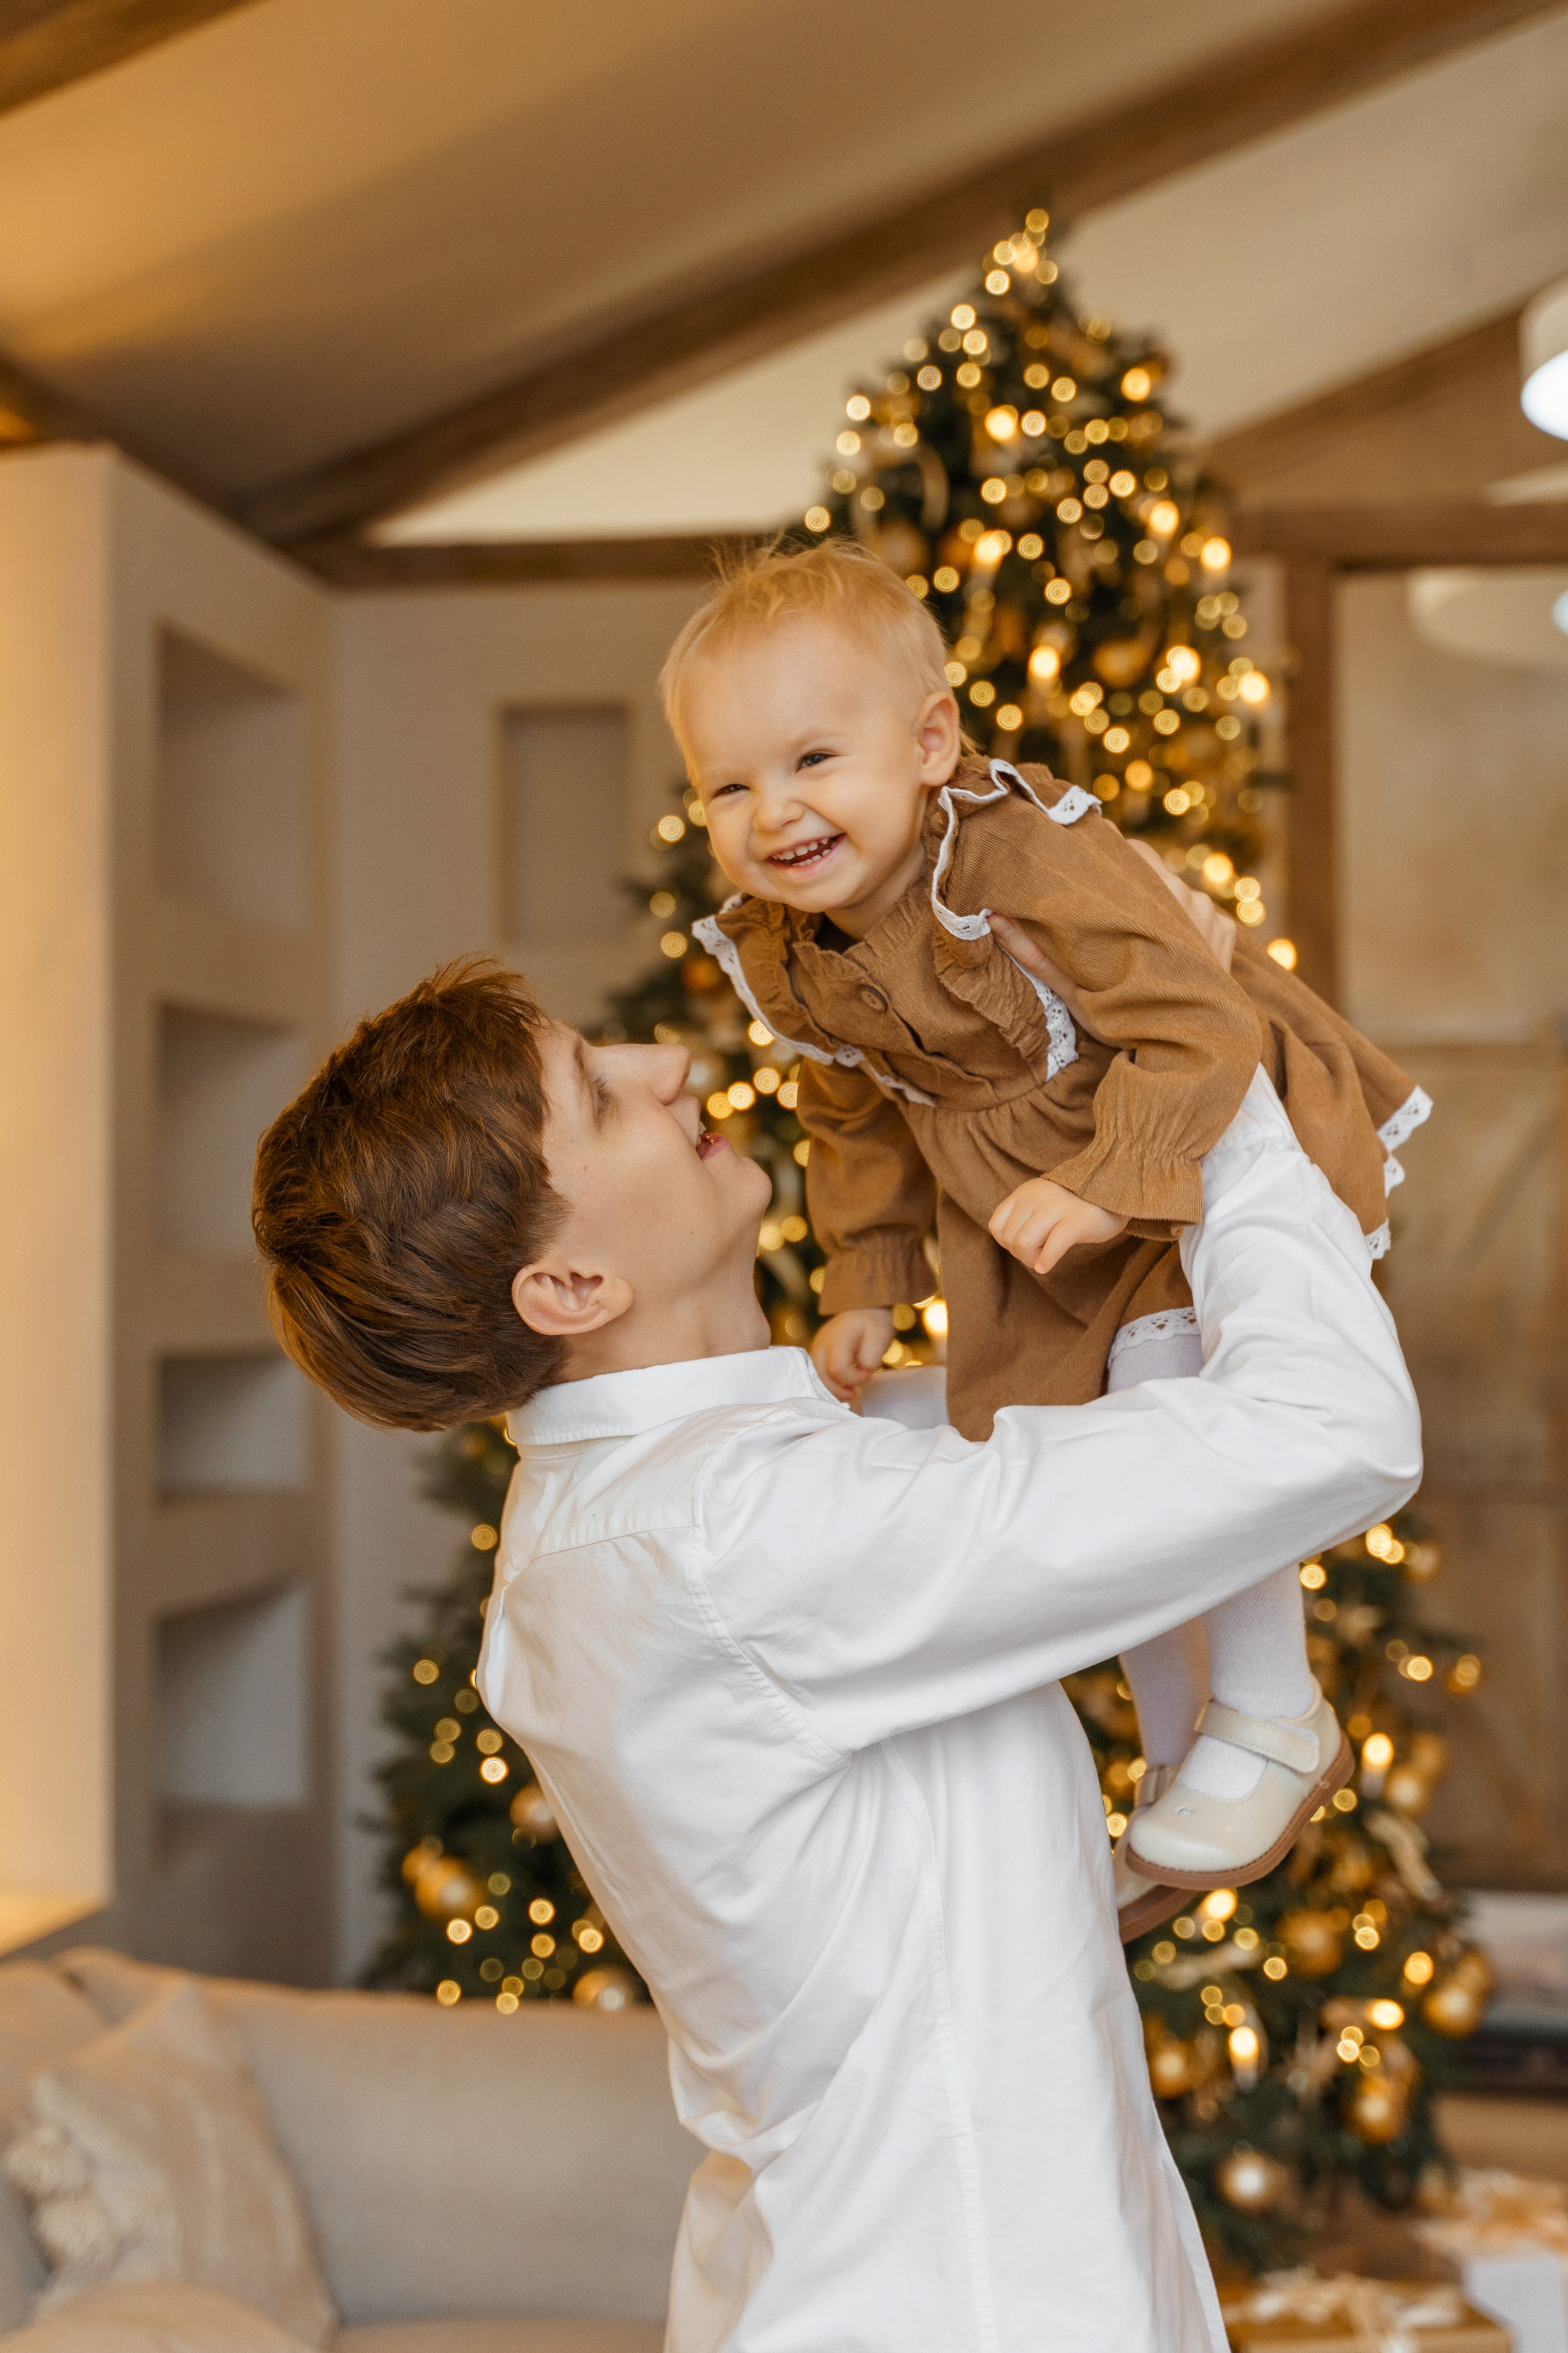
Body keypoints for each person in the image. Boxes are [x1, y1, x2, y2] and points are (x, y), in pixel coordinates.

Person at [252, 959, 1420, 2353]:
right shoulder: (724, 1536)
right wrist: (1216, 1089)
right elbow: (1330, 1428)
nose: (662, 1065)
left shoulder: (668, 1510)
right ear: (568, 1282)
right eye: (597, 1093)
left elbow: (846, 1905)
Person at [662, 538, 1430, 1906]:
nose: (770, 812)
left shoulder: (1019, 850)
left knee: (1170, 1408)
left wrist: (1104, 1177)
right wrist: (866, 1283)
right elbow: (854, 1115)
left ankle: (1268, 1703)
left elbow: (1197, 1020)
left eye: (810, 761)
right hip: (1018, 1206)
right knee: (1078, 1455)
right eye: (728, 784)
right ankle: (1180, 1744)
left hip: (1168, 1125)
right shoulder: (788, 950)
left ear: (928, 740)